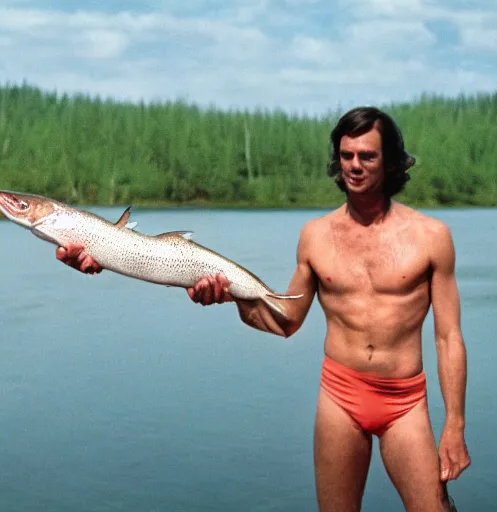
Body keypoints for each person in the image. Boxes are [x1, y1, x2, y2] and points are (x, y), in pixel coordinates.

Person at [57, 106, 470, 511]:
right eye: (346, 156)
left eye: (368, 156)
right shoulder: (316, 236)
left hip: (404, 402)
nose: (355, 166)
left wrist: (454, 423)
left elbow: (448, 336)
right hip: (340, 398)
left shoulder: (431, 237)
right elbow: (285, 321)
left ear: (392, 162)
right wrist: (231, 295)